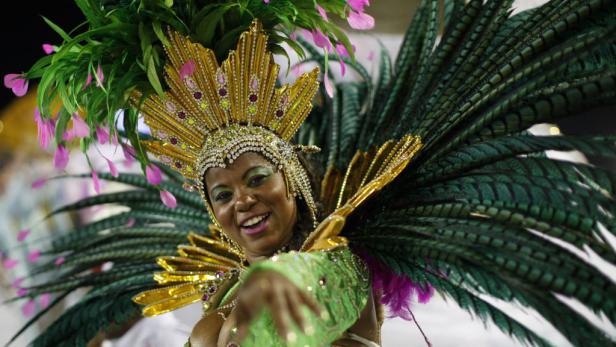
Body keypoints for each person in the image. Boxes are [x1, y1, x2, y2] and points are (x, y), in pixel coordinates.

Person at [4, 1, 616, 347]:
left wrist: (268, 282)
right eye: (222, 193)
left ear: (293, 176)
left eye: (257, 177)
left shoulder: (337, 260)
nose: (241, 200)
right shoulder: (214, 292)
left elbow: (313, 276)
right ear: (210, 213)